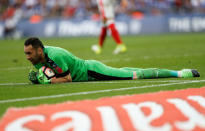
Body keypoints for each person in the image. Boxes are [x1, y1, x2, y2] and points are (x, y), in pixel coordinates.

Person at [24, 37, 200, 84]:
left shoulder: (56, 55)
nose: (28, 57)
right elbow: (48, 73)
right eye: (26, 54)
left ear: (39, 50)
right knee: (126, 70)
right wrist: (40, 77)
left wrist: (48, 81)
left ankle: (180, 73)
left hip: (92, 72)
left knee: (134, 76)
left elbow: (66, 79)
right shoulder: (39, 59)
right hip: (91, 69)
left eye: (30, 53)